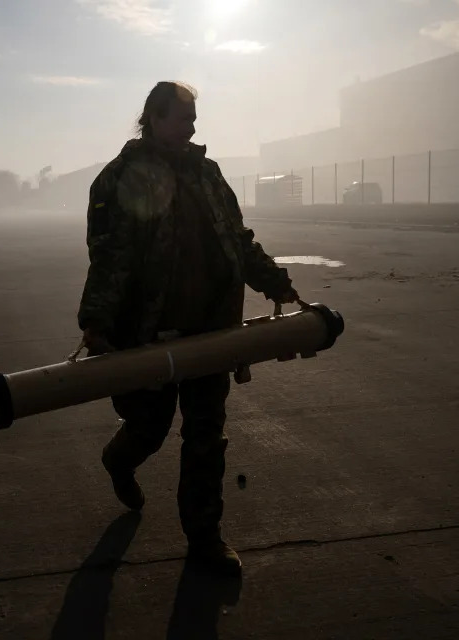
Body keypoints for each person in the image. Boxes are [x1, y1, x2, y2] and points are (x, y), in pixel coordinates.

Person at [77, 81, 300, 574]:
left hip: (211, 333)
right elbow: (110, 259)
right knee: (149, 429)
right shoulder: (119, 180)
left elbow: (236, 239)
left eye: (194, 118)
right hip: (147, 335)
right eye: (182, 118)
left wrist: (274, 282)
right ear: (153, 118)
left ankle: (205, 540)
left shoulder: (208, 174)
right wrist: (96, 321)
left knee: (206, 436)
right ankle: (120, 460)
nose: (192, 127)